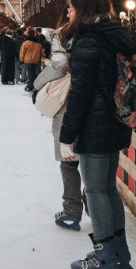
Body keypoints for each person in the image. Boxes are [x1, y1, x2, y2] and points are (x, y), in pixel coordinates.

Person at [59, 0, 135, 269]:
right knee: (107, 189)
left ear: (83, 10)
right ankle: (119, 255)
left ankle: (104, 257)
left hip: (95, 126)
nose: (68, 13)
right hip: (114, 122)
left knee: (94, 191)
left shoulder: (87, 43)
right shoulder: (112, 37)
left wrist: (66, 136)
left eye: (70, 8)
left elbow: (80, 94)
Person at [32, 27, 86, 232]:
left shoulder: (65, 34)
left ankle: (72, 210)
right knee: (92, 159)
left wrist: (37, 84)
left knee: (68, 159)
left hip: (70, 99)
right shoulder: (104, 33)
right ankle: (93, 201)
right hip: (97, 101)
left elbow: (59, 64)